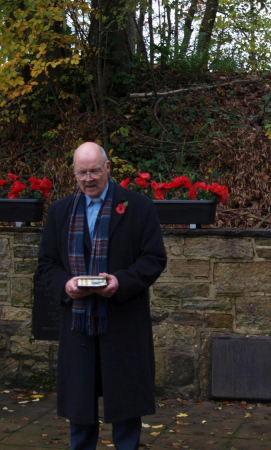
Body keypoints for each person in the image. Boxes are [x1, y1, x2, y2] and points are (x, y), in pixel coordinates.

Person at [37, 142, 167, 450]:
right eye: (82, 172)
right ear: (74, 174)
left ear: (108, 168)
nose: (89, 178)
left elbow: (154, 259)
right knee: (80, 407)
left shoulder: (138, 207)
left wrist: (120, 282)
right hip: (78, 325)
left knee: (125, 405)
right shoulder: (60, 212)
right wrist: (66, 286)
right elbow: (47, 265)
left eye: (95, 170)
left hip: (122, 321)